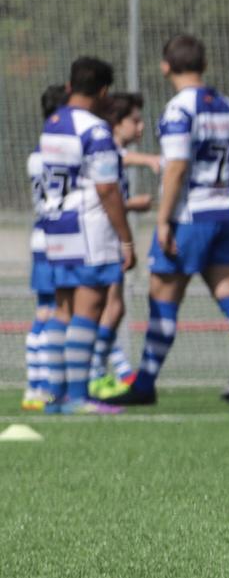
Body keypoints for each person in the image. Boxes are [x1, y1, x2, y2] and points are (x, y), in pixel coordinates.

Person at [103, 37, 229, 409]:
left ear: (165, 66)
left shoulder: (178, 110)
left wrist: (164, 220)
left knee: (163, 297)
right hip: (225, 212)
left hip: (189, 217)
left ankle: (144, 384)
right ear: (205, 62)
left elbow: (176, 167)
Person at [38, 58, 136, 414]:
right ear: (104, 91)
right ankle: (78, 396)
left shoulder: (53, 123)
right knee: (90, 307)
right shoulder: (95, 131)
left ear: (70, 86)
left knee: (61, 308)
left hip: (56, 224)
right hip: (88, 227)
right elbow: (108, 189)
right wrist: (126, 239)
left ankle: (54, 395)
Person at [86, 92, 155, 395]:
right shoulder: (106, 150)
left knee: (110, 307)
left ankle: (115, 370)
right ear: (116, 123)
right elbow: (101, 197)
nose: (141, 127)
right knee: (110, 306)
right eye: (135, 121)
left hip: (105, 236)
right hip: (100, 237)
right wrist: (131, 205)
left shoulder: (112, 151)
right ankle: (95, 373)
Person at [22, 84, 69, 411]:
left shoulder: (36, 154)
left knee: (46, 311)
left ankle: (36, 385)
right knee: (51, 312)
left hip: (42, 237)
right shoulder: (59, 151)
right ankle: (40, 386)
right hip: (59, 238)